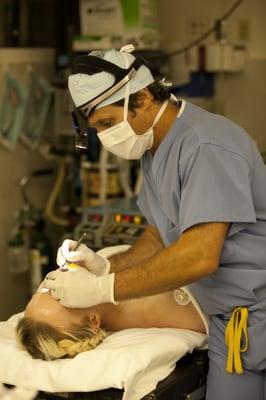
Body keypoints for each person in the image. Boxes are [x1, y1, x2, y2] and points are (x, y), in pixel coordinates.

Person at [43, 45, 266, 399]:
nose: (104, 137)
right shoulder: (155, 148)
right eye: (96, 128)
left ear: (142, 97)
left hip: (257, 311)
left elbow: (199, 256)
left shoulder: (205, 146)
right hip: (229, 324)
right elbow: (159, 235)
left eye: (107, 123)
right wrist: (104, 266)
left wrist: (104, 290)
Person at [16, 269, 207, 360]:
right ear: (93, 321)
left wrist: (105, 265)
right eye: (58, 297)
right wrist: (100, 285)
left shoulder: (94, 274)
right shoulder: (162, 307)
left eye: (45, 290)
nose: (57, 285)